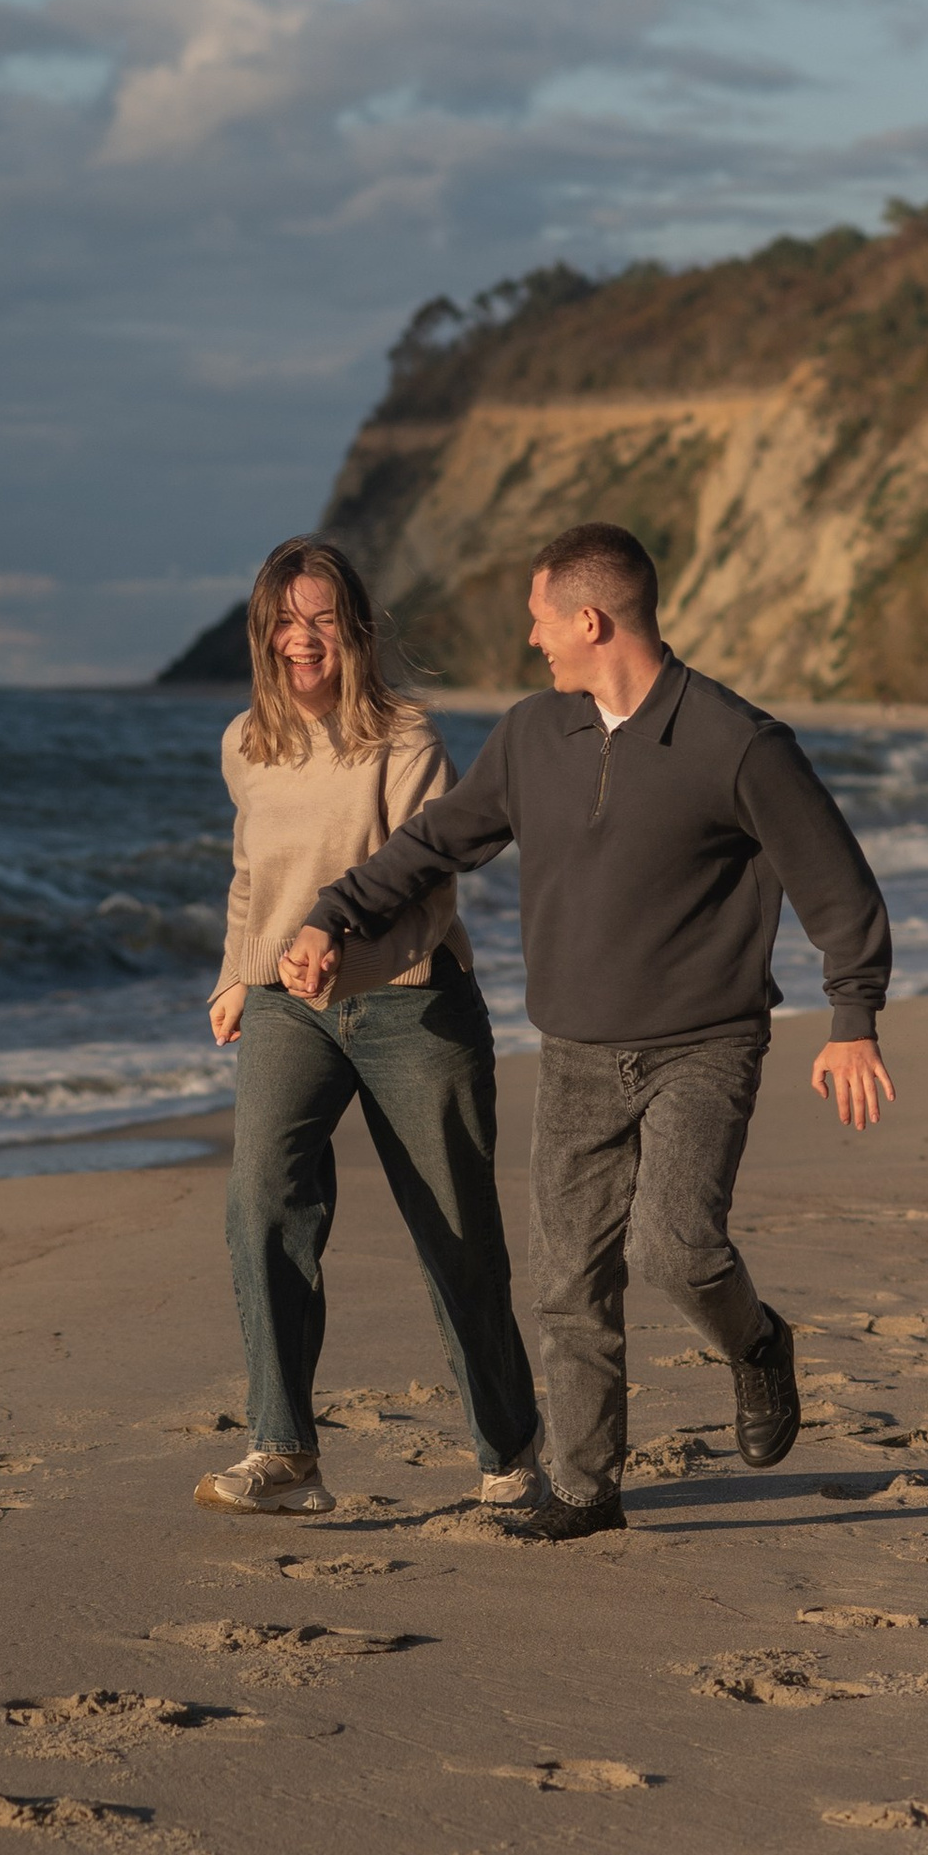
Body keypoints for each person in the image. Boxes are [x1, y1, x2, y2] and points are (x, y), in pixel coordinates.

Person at [279, 520, 893, 1541]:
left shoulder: (736, 742)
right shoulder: (530, 735)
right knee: (568, 1278)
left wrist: (852, 1018)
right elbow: (436, 841)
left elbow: (836, 884)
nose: (533, 639)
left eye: (539, 619)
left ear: (590, 618)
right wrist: (333, 913)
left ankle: (755, 1342)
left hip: (705, 1042)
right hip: (573, 1050)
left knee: (675, 1249)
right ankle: (584, 1485)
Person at [195, 537, 540, 1518]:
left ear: (355, 628)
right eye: (284, 620)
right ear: (262, 632)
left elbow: (428, 884)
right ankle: (283, 1449)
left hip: (410, 1001)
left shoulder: (406, 738)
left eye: (321, 618)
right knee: (260, 1201)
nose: (302, 639)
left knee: (455, 1230)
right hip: (284, 1007)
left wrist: (335, 940)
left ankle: (508, 1454)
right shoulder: (245, 743)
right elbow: (250, 876)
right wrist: (237, 973)